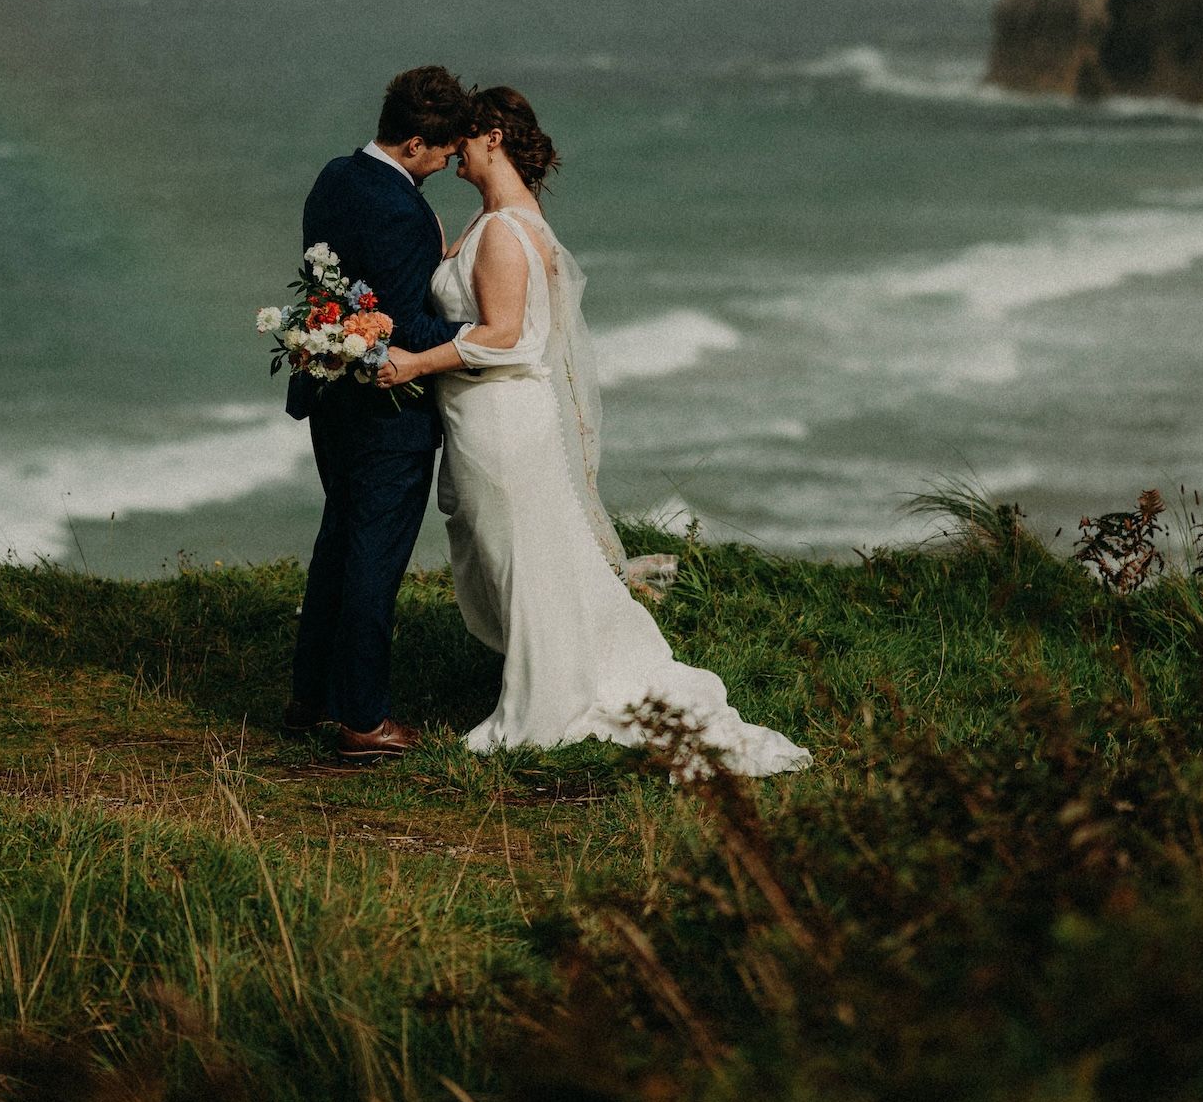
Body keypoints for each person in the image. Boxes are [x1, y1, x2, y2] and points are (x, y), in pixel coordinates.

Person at [377, 85, 811, 776]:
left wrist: (412, 364)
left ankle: (543, 701)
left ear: (493, 137)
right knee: (522, 559)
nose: (453, 144)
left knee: (519, 560)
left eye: (466, 134)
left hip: (498, 417)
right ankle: (551, 672)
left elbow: (507, 337)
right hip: (488, 416)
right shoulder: (507, 222)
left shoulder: (499, 232)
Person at [284, 63, 479, 763]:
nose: (452, 159)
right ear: (417, 143)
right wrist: (485, 335)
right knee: (375, 558)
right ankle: (363, 721)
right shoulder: (399, 207)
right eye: (446, 149)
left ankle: (310, 696)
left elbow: (341, 290)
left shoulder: (335, 176)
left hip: (328, 390)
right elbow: (402, 327)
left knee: (338, 541)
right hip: (385, 406)